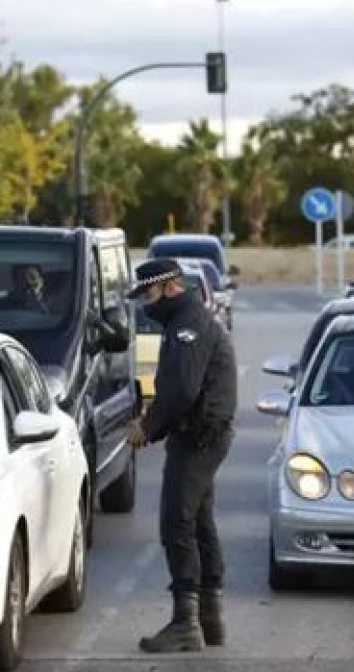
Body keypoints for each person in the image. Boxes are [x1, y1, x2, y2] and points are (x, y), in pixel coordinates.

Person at [125, 259, 237, 653]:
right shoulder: (186, 319)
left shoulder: (189, 324)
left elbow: (182, 389)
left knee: (177, 522)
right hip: (204, 434)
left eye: (149, 294)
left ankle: (186, 623)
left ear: (170, 287)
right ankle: (209, 620)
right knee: (199, 522)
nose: (146, 303)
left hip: (198, 437)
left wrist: (148, 427)